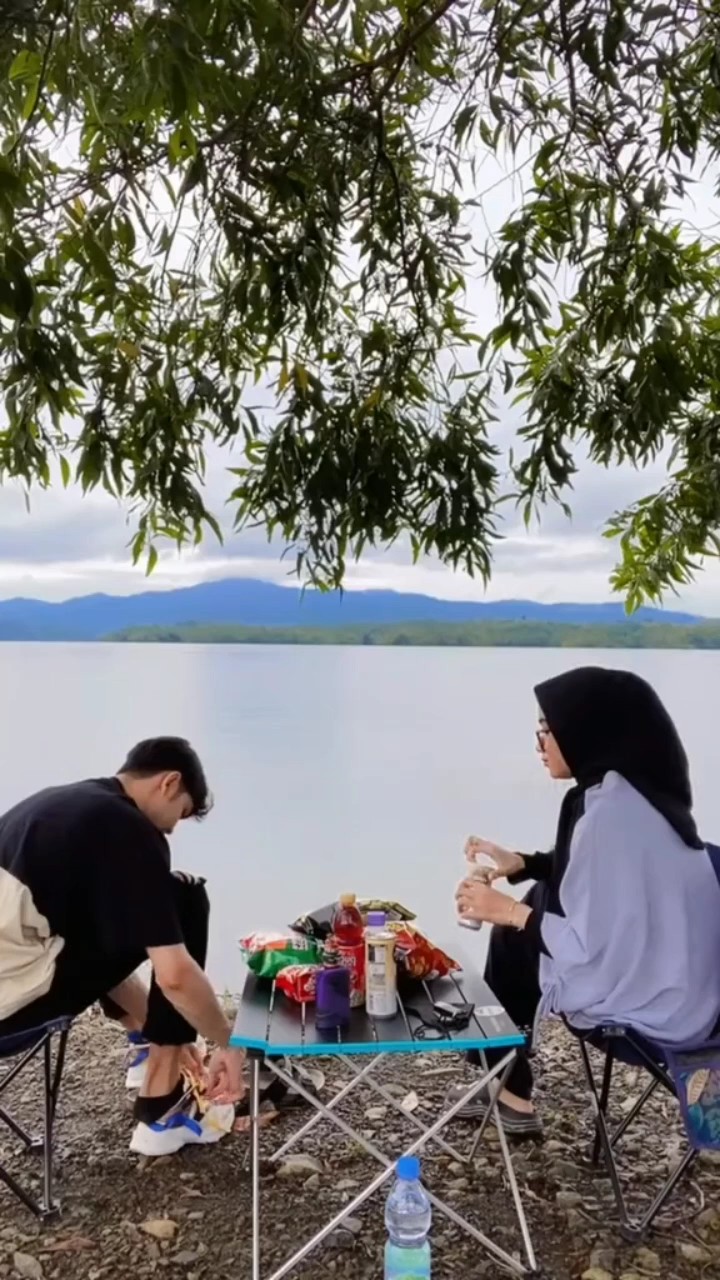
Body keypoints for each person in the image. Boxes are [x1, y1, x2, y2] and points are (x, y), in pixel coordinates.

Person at [452, 666, 720, 1138]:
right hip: (692, 990)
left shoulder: (608, 816)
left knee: (516, 936)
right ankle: (505, 1080)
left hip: (655, 1005)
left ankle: (510, 1089)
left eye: (547, 730)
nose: (539, 744)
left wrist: (505, 910)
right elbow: (605, 880)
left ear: (586, 731)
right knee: (534, 907)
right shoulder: (636, 794)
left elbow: (588, 948)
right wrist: (524, 863)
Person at [0, 737, 246, 1156]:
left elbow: (94, 946)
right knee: (184, 898)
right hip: (11, 1008)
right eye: (181, 813)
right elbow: (174, 976)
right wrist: (230, 1043)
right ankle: (161, 1108)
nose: (172, 829)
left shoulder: (60, 804)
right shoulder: (130, 830)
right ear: (169, 783)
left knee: (111, 911)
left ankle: (148, 1045)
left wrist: (170, 1029)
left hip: (16, 971)